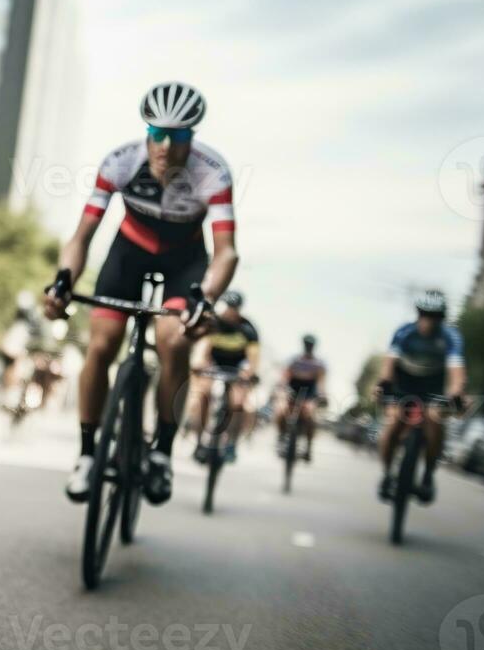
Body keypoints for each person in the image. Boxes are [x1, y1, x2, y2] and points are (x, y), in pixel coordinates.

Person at [43, 82, 239, 507]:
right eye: (157, 134)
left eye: (179, 136)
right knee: (102, 344)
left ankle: (163, 451)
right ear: (146, 133)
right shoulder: (120, 161)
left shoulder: (213, 173)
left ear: (194, 136)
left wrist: (205, 297)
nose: (166, 145)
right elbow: (81, 237)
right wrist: (63, 281)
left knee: (173, 340)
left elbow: (226, 254)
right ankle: (87, 454)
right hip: (127, 253)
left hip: (183, 262)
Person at [373, 291, 467, 504]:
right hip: (403, 385)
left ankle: (427, 475)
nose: (428, 320)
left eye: (434, 316)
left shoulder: (450, 337)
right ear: (418, 314)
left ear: (441, 318)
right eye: (424, 314)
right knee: (393, 424)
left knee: (434, 419)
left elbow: (457, 372)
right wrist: (384, 384)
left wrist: (456, 392)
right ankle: (387, 474)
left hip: (432, 388)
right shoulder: (404, 332)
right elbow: (388, 365)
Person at [191, 290, 259, 462]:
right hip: (214, 364)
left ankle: (231, 444)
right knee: (200, 398)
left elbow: (253, 359)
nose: (230, 311)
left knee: (239, 404)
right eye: (228, 307)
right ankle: (199, 443)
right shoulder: (214, 323)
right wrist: (199, 363)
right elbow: (203, 348)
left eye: (234, 308)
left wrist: (249, 374)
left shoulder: (248, 329)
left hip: (237, 368)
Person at [274, 334, 325, 462]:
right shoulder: (294, 360)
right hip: (292, 390)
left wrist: (321, 396)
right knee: (281, 411)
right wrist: (280, 390)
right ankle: (281, 437)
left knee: (311, 416)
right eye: (307, 344)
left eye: (311, 345)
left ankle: (308, 447)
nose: (308, 347)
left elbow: (321, 383)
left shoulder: (319, 364)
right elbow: (284, 378)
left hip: (309, 394)